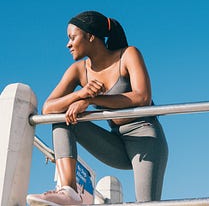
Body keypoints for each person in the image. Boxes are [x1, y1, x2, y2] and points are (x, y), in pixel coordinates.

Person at [26, 11, 168, 205]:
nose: (68, 44)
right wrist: (80, 94)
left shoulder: (128, 55)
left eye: (72, 38)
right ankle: (69, 191)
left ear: (90, 36)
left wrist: (93, 100)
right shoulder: (78, 70)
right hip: (115, 143)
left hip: (145, 140)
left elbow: (142, 96)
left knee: (146, 204)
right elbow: (48, 107)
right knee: (60, 117)